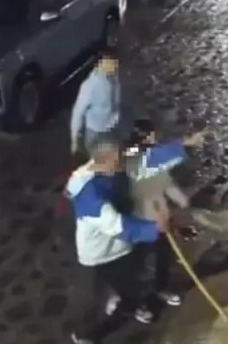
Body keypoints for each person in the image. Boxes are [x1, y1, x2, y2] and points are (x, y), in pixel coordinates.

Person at [65, 140, 169, 344]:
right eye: (118, 160)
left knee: (130, 283)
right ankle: (85, 335)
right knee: (89, 301)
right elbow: (118, 226)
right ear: (106, 162)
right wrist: (154, 228)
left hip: (120, 248)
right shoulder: (91, 198)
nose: (122, 163)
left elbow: (141, 162)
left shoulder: (98, 169)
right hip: (98, 255)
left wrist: (180, 146)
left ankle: (129, 303)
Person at [123, 119, 205, 310]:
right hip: (142, 219)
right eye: (153, 134)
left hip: (160, 216)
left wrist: (180, 199)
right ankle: (125, 297)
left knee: (163, 254)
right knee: (136, 259)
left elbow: (165, 180)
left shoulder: (153, 155)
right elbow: (154, 160)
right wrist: (184, 143)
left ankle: (160, 287)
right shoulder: (133, 160)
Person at [70, 49, 130, 158]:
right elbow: (78, 112)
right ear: (103, 63)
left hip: (113, 127)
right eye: (113, 63)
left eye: (116, 63)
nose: (116, 66)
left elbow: (116, 100)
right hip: (97, 135)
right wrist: (74, 140)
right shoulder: (90, 85)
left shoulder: (114, 76)